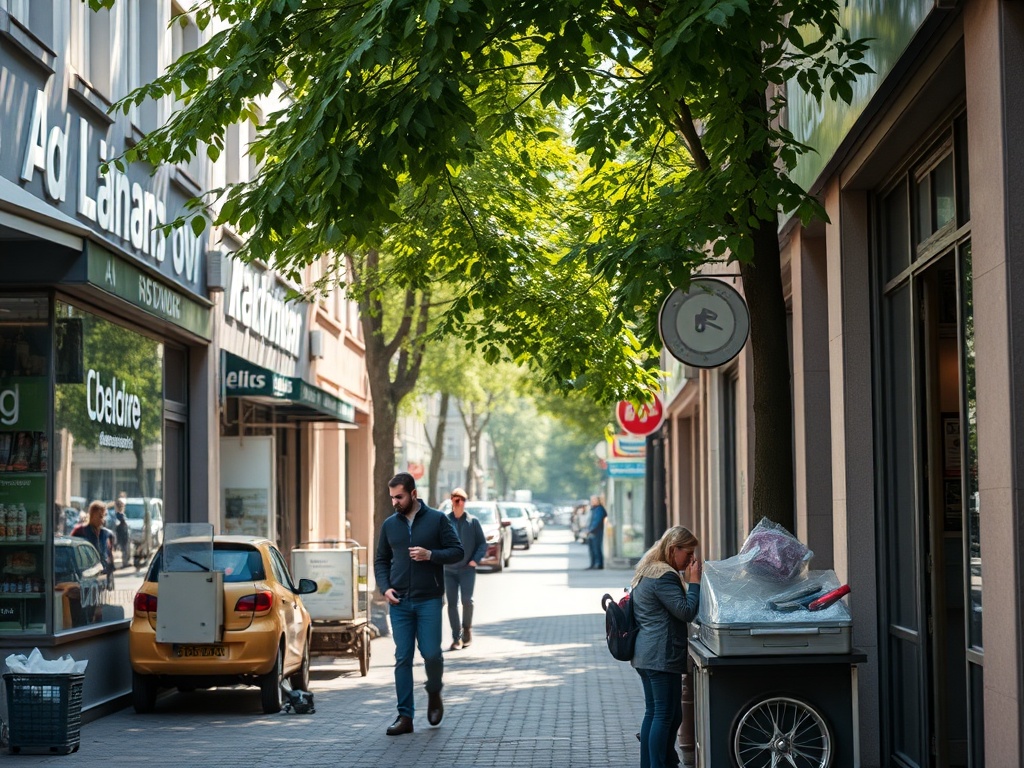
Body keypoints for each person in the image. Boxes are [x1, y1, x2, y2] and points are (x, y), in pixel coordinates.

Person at [374, 472, 464, 736]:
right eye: (392, 497)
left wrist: (431, 555)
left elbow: (457, 551)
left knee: (431, 654)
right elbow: (381, 560)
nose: (395, 502)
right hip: (399, 601)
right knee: (403, 657)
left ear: (413, 494)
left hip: (429, 600)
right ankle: (405, 717)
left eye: (399, 497)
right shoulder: (390, 525)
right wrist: (385, 588)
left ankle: (434, 691)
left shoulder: (437, 519)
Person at [630, 526, 702, 768]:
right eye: (688, 553)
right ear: (673, 549)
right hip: (660, 655)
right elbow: (686, 611)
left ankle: (652, 763)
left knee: (658, 712)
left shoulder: (648, 569)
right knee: (663, 714)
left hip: (647, 654)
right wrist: (694, 583)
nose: (692, 559)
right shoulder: (664, 576)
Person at [443, 487, 487, 651]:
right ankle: (457, 638)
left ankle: (467, 629)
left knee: (467, 600)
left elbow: (482, 544)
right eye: (456, 499)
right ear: (452, 501)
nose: (459, 503)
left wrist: (475, 560)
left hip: (467, 569)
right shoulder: (444, 521)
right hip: (449, 570)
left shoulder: (472, 522)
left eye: (462, 500)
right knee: (452, 604)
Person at [72, 500, 116, 588]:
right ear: (92, 515)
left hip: (101, 575)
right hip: (85, 575)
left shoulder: (106, 534)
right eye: (100, 516)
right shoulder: (80, 531)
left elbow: (109, 555)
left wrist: (110, 577)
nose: (102, 520)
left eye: (104, 516)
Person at [585, 494, 607, 569]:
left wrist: (590, 530)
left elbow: (596, 521)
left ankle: (598, 564)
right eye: (591, 500)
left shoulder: (599, 509)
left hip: (596, 532)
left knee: (596, 549)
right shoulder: (593, 509)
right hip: (591, 532)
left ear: (598, 501)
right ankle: (593, 564)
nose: (592, 501)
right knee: (592, 549)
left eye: (593, 500)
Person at [113, 498, 130, 569]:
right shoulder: (118, 515)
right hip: (121, 534)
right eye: (120, 506)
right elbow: (120, 524)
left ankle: (125, 562)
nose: (122, 507)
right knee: (123, 549)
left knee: (125, 549)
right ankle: (124, 563)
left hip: (124, 534)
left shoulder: (121, 515)